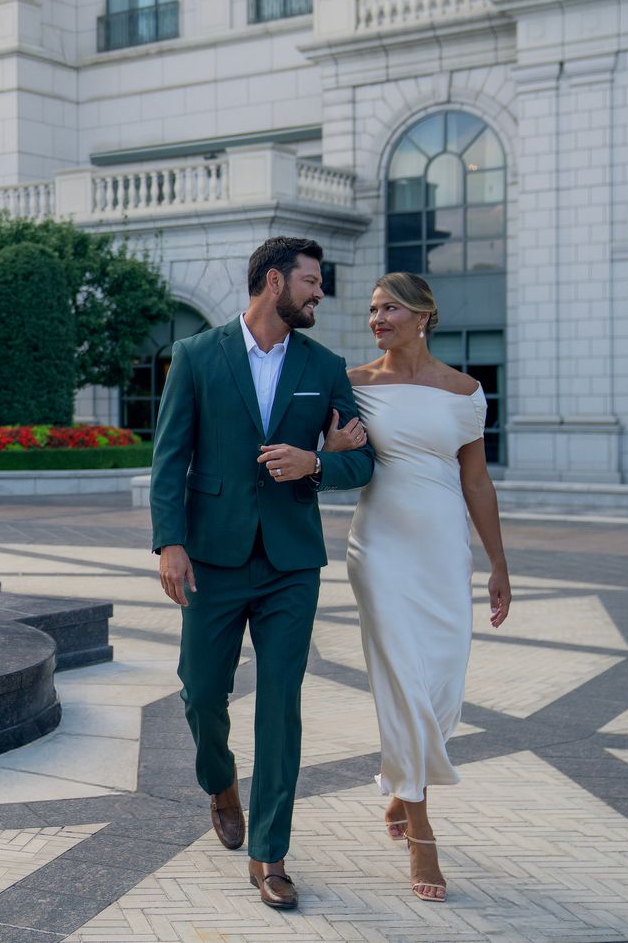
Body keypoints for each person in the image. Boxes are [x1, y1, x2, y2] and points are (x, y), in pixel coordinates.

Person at [150, 236, 374, 910]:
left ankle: (269, 853)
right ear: (272, 281)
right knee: (198, 693)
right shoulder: (195, 355)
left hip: (289, 564)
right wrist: (169, 542)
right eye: (309, 281)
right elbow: (170, 457)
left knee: (280, 705)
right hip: (212, 558)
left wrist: (317, 463)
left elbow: (362, 460)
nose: (318, 294)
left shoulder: (324, 365)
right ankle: (219, 783)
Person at [328, 272, 512, 903]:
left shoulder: (464, 392)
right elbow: (341, 459)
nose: (378, 318)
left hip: (441, 549)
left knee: (439, 680)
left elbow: (478, 483)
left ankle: (403, 789)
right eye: (374, 309)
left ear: (424, 315)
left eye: (391, 309)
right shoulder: (353, 384)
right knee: (402, 678)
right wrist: (330, 446)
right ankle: (423, 828)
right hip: (378, 547)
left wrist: (498, 564)